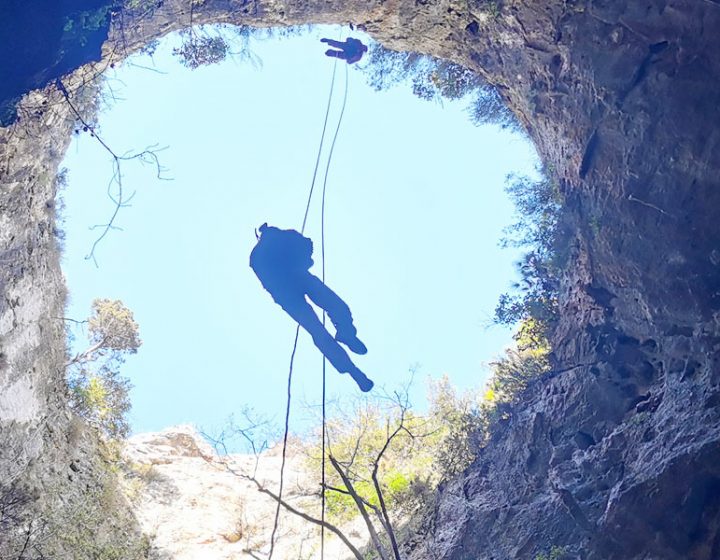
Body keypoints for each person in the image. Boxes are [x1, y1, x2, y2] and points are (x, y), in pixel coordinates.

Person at [249, 223, 374, 392]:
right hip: (297, 282)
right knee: (337, 308)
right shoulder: (283, 237)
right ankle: (348, 339)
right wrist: (303, 261)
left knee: (319, 330)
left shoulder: (256, 255)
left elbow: (267, 279)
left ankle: (351, 365)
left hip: (287, 293)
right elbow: (307, 244)